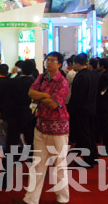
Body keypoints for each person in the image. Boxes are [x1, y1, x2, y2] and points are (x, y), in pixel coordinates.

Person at [14, 51, 69, 204]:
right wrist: (46, 95)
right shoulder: (41, 77)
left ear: (59, 64)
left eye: (52, 60)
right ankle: (31, 199)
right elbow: (31, 93)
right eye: (47, 60)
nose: (48, 62)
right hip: (40, 126)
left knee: (59, 164)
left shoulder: (62, 82)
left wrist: (41, 95)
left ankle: (63, 198)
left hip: (58, 129)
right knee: (37, 164)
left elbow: (54, 104)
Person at [68, 53, 98, 167]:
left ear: (77, 64)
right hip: (91, 108)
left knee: (84, 135)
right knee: (90, 134)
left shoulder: (80, 76)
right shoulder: (92, 74)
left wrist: (71, 109)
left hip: (81, 110)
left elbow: (76, 96)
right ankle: (93, 157)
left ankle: (88, 160)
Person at [96, 58, 108, 156]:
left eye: (98, 64)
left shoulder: (105, 76)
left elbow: (101, 91)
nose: (97, 66)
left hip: (104, 105)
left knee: (106, 128)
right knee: (106, 127)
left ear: (102, 66)